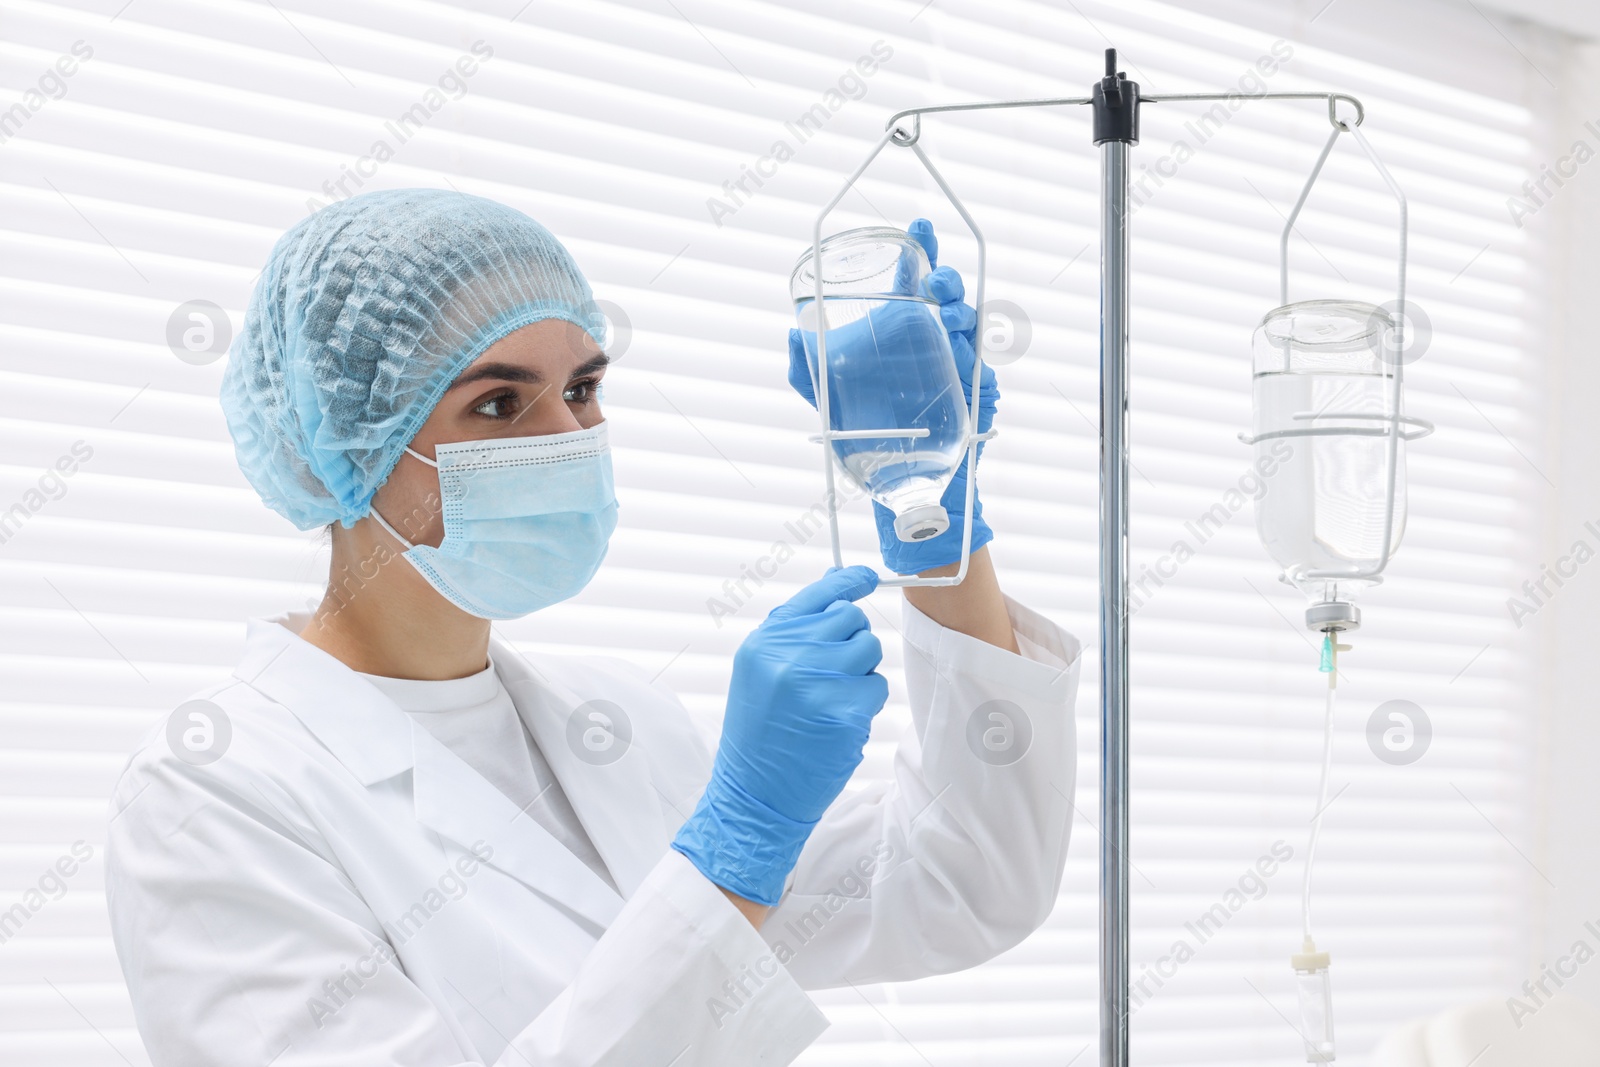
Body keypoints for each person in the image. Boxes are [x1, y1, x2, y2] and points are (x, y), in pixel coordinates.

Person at [104, 189, 1081, 1066]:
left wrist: (929, 499)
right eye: (498, 401)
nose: (571, 439)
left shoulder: (619, 723)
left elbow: (964, 881)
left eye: (580, 389)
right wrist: (733, 849)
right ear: (343, 438)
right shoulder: (217, 792)